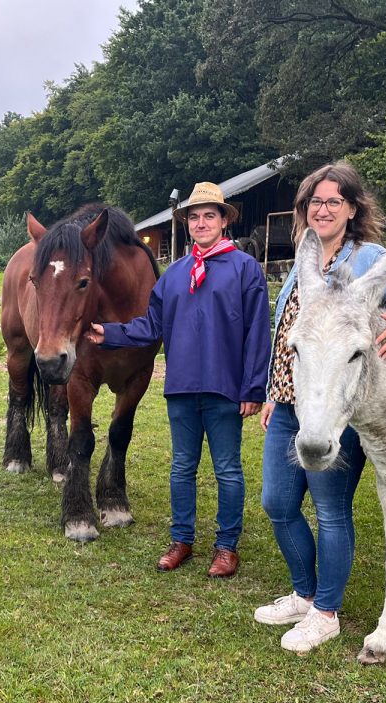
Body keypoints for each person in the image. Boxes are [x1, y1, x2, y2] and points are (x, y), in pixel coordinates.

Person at [254, 162, 386, 652]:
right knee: (276, 502)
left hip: (342, 405)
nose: (323, 209)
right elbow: (291, 334)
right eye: (315, 202)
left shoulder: (368, 258)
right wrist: (275, 393)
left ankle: (326, 611)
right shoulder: (303, 262)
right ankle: (303, 592)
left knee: (331, 510)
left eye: (334, 201)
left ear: (352, 208)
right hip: (293, 402)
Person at [87, 182, 271, 578]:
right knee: (182, 467)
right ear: (186, 224)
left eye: (209, 215)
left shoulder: (245, 270)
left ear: (223, 221)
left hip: (226, 389)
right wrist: (110, 333)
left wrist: (254, 387)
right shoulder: (173, 276)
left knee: (227, 469)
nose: (201, 223)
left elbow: (258, 332)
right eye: (194, 217)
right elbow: (152, 325)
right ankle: (182, 539)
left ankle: (226, 546)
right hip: (183, 388)